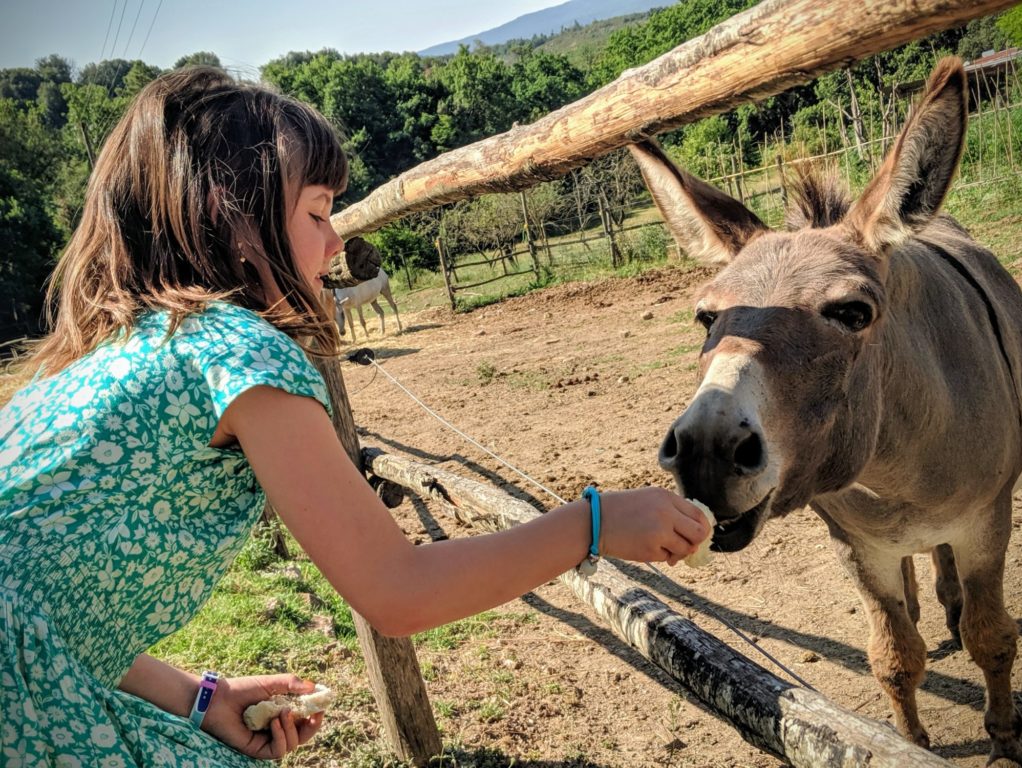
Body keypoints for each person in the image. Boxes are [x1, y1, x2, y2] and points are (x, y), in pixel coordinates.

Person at [0, 67, 711, 766]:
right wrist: (591, 524)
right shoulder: (235, 351)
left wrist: (198, 698)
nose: (336, 242)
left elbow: (43, 610)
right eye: (316, 213)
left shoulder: (101, 357)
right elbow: (398, 591)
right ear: (233, 218)